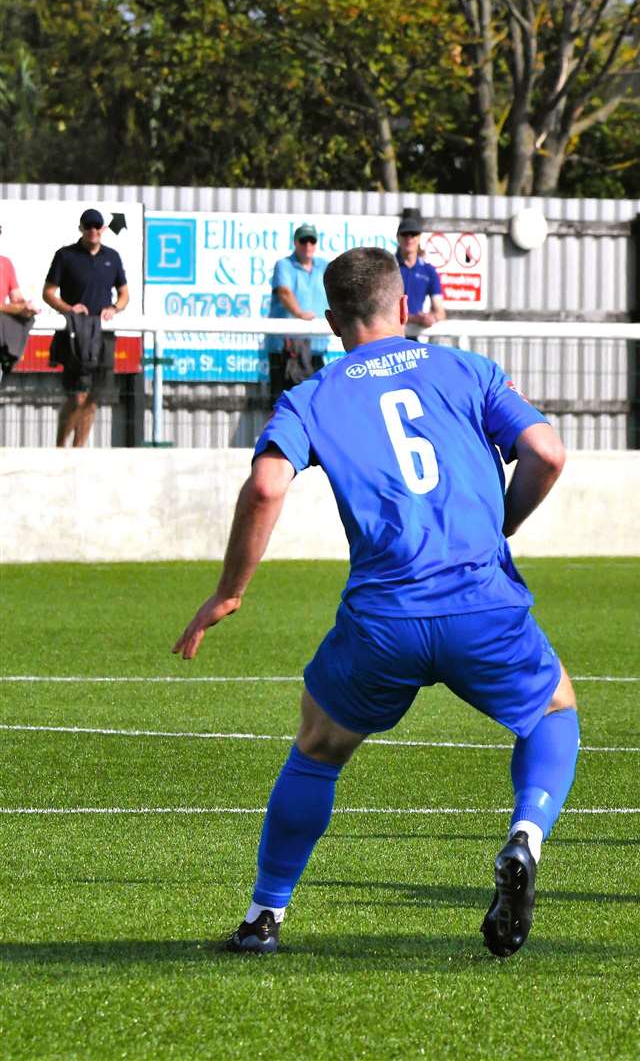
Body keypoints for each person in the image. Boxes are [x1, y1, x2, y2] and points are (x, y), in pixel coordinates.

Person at [173, 246, 578, 959]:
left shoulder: (313, 396)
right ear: (403, 306)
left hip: (384, 617)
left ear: (333, 320)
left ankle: (264, 917)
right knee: (552, 709)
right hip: (482, 602)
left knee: (320, 748)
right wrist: (502, 524)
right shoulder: (465, 369)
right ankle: (526, 834)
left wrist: (229, 592)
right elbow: (547, 452)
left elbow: (266, 487)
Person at [42, 209, 128, 448]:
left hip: (103, 335)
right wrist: (68, 308)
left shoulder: (113, 257)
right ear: (81, 228)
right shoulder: (65, 255)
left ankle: (78, 451)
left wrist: (114, 308)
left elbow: (124, 294)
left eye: (97, 226)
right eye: (88, 226)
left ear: (102, 229)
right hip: (75, 335)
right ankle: (60, 448)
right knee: (77, 397)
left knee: (94, 397)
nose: (93, 230)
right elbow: (48, 293)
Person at [266, 223, 330, 399]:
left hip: (315, 349)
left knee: (314, 404)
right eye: (303, 240)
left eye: (311, 240)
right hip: (286, 351)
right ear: (295, 242)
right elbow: (284, 293)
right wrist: (300, 314)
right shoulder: (284, 265)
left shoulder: (324, 267)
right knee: (281, 405)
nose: (307, 245)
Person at [0, 222, 40, 380]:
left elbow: (16, 296)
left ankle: (9, 355)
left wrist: (25, 306)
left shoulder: (5, 264)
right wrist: (15, 309)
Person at [396, 208, 446, 328]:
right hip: (393, 335)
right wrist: (415, 319)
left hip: (417, 336)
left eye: (413, 234)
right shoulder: (388, 267)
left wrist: (431, 317)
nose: (409, 238)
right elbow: (380, 309)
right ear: (398, 237)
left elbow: (440, 311)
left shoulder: (429, 271)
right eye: (405, 234)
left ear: (419, 238)